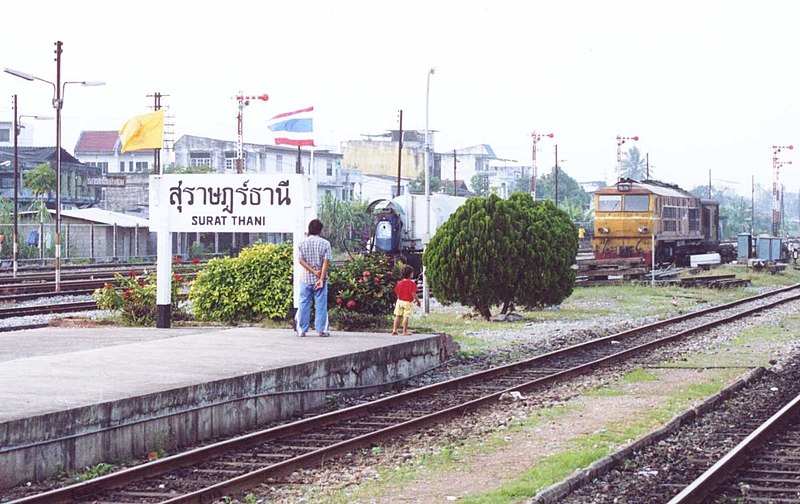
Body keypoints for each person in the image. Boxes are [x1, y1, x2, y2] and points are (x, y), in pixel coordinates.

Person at [296, 219, 333, 337]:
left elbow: (301, 261)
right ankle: (321, 330)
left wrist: (312, 271)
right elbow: (326, 262)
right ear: (320, 230)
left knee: (304, 303)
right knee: (321, 304)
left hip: (305, 278)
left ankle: (302, 330)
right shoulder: (325, 243)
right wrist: (321, 278)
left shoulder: (302, 243)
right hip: (320, 279)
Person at [392, 264, 421, 336]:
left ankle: (394, 330)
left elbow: (397, 292)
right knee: (406, 316)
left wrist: (399, 298)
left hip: (399, 301)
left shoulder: (400, 283)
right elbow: (414, 294)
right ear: (411, 274)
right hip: (408, 302)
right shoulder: (412, 283)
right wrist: (418, 301)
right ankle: (404, 331)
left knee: (397, 316)